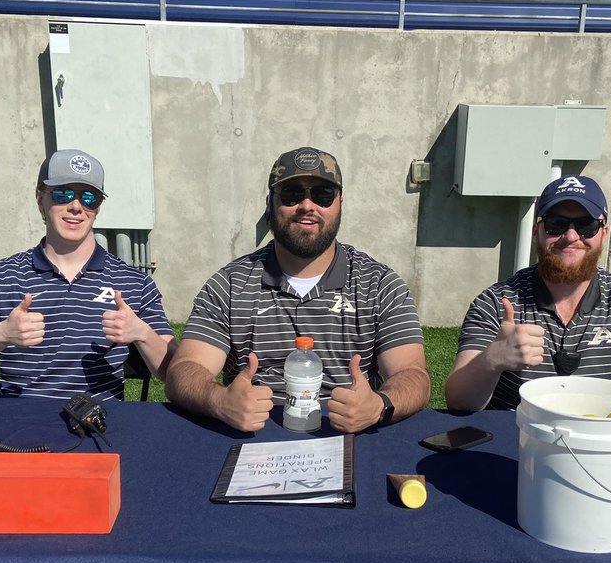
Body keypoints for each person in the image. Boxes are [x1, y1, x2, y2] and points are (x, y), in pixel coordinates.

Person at [165, 146, 430, 433]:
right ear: (270, 203)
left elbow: (412, 374)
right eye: (292, 194)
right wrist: (218, 400)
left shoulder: (378, 284)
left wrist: (379, 406)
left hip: (349, 434)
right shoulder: (229, 285)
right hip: (252, 435)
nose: (307, 205)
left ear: (340, 203)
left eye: (322, 195)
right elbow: (184, 369)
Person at [445, 174, 611, 418]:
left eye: (586, 225)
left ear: (603, 232)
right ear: (537, 231)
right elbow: (459, 401)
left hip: (601, 444)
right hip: (517, 441)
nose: (571, 236)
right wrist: (492, 359)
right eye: (556, 224)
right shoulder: (497, 302)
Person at [0, 149, 175, 401]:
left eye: (89, 198)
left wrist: (141, 333)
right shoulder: (1, 276)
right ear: (40, 199)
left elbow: (174, 371)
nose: (76, 207)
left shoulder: (133, 282)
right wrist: (2, 334)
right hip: (15, 423)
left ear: (98, 208)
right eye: (62, 194)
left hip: (97, 425)